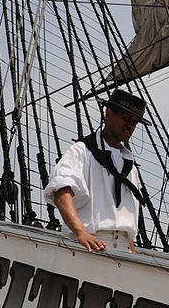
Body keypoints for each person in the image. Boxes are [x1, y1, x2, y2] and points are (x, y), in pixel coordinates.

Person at [44, 89, 149, 252]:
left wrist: (131, 250)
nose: (130, 126)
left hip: (122, 250)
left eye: (135, 122)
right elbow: (61, 191)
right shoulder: (81, 152)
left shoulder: (129, 164)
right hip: (88, 245)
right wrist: (81, 232)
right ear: (109, 113)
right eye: (126, 118)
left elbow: (125, 215)